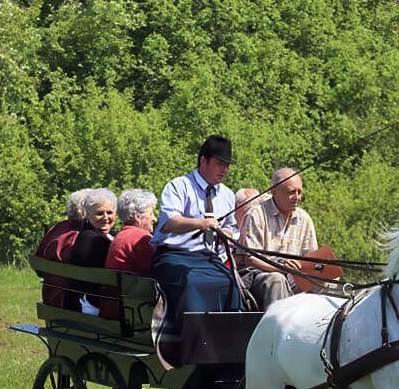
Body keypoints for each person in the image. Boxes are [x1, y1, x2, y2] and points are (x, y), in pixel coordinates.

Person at [151, 134, 242, 335]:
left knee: (231, 284)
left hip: (208, 258)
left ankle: (230, 342)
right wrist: (201, 223)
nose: (225, 170)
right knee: (191, 282)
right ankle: (192, 341)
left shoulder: (226, 194)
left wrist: (226, 233)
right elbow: (169, 223)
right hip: (173, 256)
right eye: (220, 163)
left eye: (227, 165)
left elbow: (232, 228)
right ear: (203, 160)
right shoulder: (178, 186)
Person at [239, 167, 318, 309]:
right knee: (277, 280)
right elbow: (250, 259)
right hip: (260, 277)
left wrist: (320, 269)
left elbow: (311, 257)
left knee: (329, 280)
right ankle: (275, 329)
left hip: (295, 277)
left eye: (299, 192)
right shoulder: (256, 214)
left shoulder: (304, 218)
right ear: (274, 191)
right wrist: (281, 268)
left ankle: (321, 328)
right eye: (291, 192)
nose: (297, 197)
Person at [35, 188, 91, 307]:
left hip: (50, 299)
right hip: (72, 303)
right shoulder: (85, 236)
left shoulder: (57, 228)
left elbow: (38, 266)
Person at [68, 188, 117, 314]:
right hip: (91, 305)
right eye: (100, 213)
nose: (106, 218)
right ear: (88, 215)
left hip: (82, 301)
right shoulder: (95, 240)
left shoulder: (88, 235)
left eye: (110, 212)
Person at [104, 189, 157, 274]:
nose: (154, 219)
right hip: (133, 286)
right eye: (151, 214)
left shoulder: (121, 236)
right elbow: (157, 268)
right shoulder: (141, 237)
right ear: (138, 217)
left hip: (119, 286)